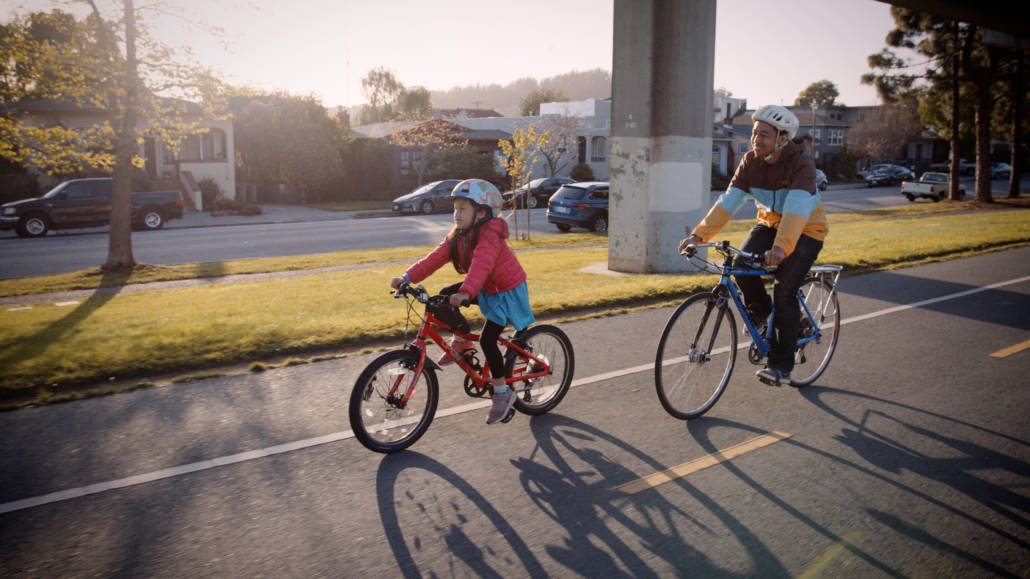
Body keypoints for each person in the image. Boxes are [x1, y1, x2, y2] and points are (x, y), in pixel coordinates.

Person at [678, 105, 828, 386]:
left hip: (807, 229)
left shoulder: (801, 164)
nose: (757, 140)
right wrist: (699, 236)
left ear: (783, 139)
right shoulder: (750, 162)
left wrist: (781, 249)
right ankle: (763, 317)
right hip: (769, 224)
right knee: (739, 265)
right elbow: (727, 203)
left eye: (765, 135)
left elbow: (796, 211)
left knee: (785, 289)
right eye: (755, 134)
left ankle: (781, 365)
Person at [391, 178, 535, 424]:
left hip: (504, 291)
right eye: (455, 208)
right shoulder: (459, 236)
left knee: (489, 340)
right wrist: (407, 277)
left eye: (463, 208)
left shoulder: (489, 235)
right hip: (485, 286)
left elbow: (481, 266)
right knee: (442, 297)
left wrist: (467, 292)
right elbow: (434, 258)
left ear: (481, 213)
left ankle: (502, 393)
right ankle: (463, 344)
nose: (456, 214)